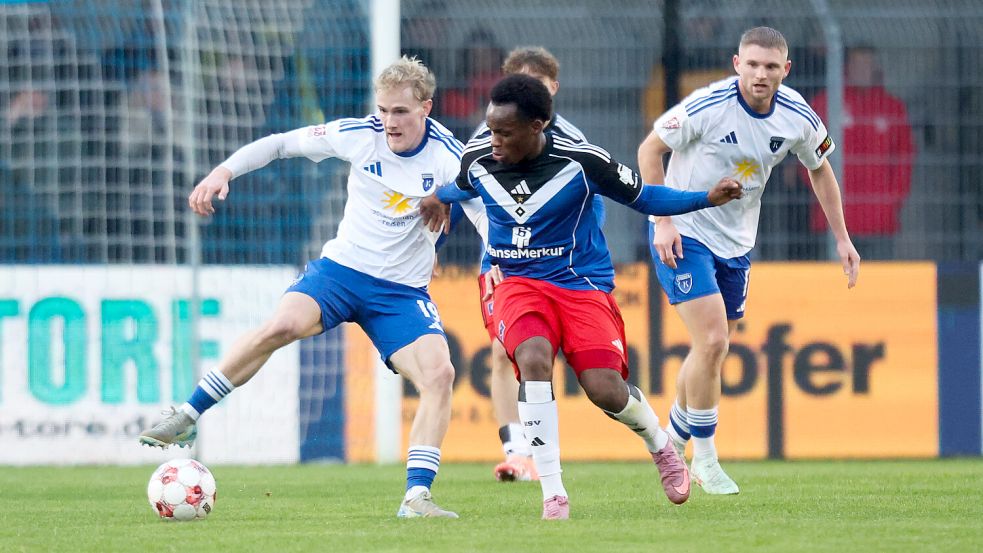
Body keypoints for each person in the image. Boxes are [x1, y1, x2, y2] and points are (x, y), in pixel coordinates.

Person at [139, 56, 482, 519]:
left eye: (400, 111)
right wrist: (223, 172)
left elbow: (485, 212)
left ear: (426, 107)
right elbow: (281, 145)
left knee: (439, 375)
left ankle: (416, 497)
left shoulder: (448, 156)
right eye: (383, 110)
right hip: (341, 270)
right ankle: (187, 415)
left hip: (401, 292)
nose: (389, 122)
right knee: (282, 324)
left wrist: (494, 262)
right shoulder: (359, 134)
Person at [422, 74, 743, 519]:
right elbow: (459, 186)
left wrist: (704, 198)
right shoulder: (478, 157)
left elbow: (645, 197)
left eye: (504, 132)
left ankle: (659, 443)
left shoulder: (581, 162)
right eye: (490, 128)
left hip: (578, 285)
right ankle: (553, 492)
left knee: (604, 390)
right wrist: (437, 199)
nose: (492, 140)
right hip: (515, 282)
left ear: (538, 126)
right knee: (532, 358)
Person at [638, 26, 861, 495]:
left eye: (771, 66)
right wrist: (663, 221)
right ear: (737, 63)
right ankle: (706, 458)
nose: (761, 74)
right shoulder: (707, 105)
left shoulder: (799, 116)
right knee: (714, 340)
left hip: (737, 243)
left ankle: (672, 438)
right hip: (686, 230)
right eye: (752, 64)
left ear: (786, 70)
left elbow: (820, 170)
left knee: (711, 351)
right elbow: (649, 150)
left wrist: (842, 239)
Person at [466, 46, 603, 484]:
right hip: (502, 264)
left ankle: (540, 449)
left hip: (565, 269)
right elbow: (462, 192)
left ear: (553, 90)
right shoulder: (484, 140)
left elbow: (593, 206)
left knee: (548, 357)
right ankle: (516, 451)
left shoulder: (575, 146)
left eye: (537, 87)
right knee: (503, 352)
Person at [808, 46, 915, 259]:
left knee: (878, 286)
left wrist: (891, 202)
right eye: (858, 65)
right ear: (847, 67)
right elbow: (807, 155)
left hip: (879, 220)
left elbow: (904, 160)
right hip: (835, 219)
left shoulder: (892, 108)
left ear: (876, 68)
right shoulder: (825, 103)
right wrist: (823, 196)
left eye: (868, 65)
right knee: (833, 286)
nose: (863, 70)